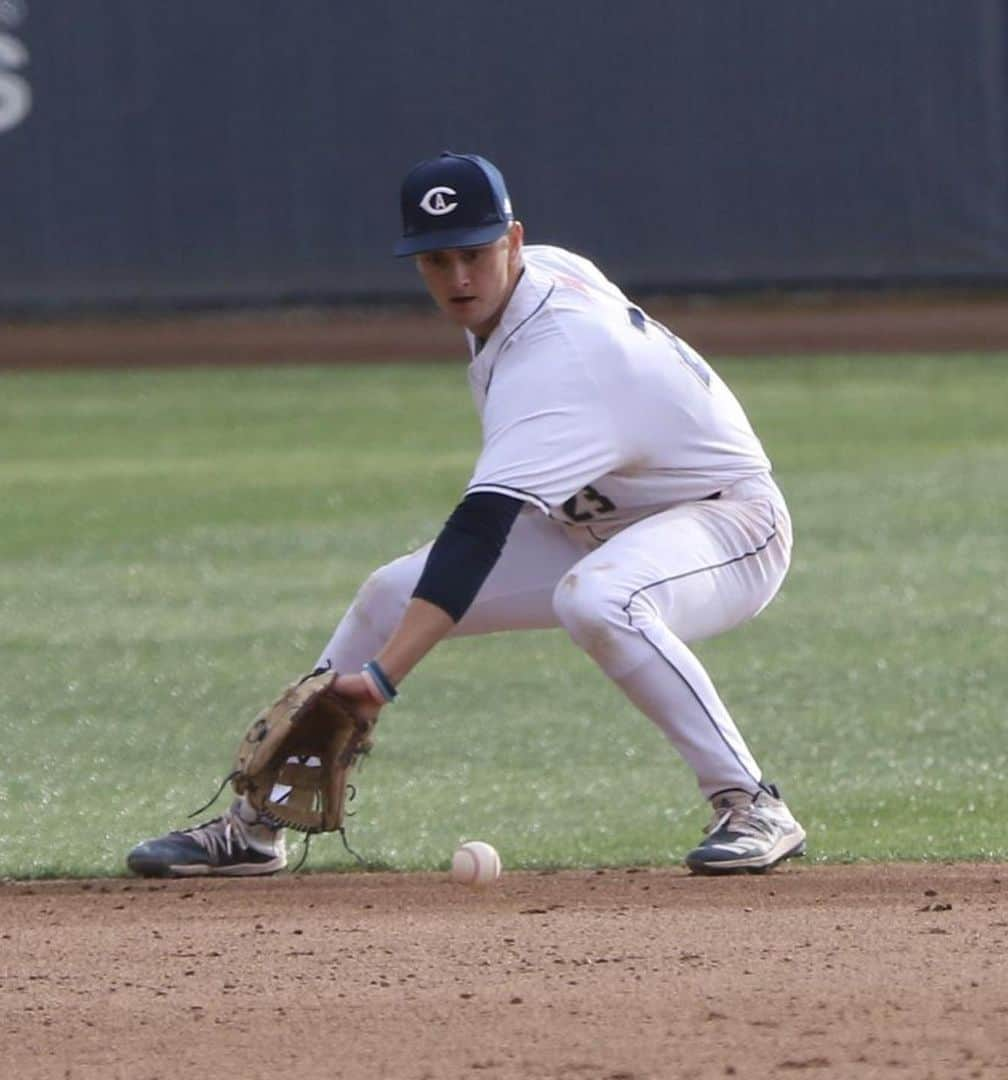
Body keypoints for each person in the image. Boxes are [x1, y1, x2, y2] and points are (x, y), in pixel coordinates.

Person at [127, 152, 806, 878]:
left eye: (475, 254)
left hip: (726, 525)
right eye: (435, 259)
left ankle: (751, 803)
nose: (457, 279)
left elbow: (478, 535)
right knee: (389, 595)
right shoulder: (533, 281)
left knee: (603, 598)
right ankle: (254, 832)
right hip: (598, 520)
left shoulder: (559, 360)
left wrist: (382, 679)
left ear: (513, 240)